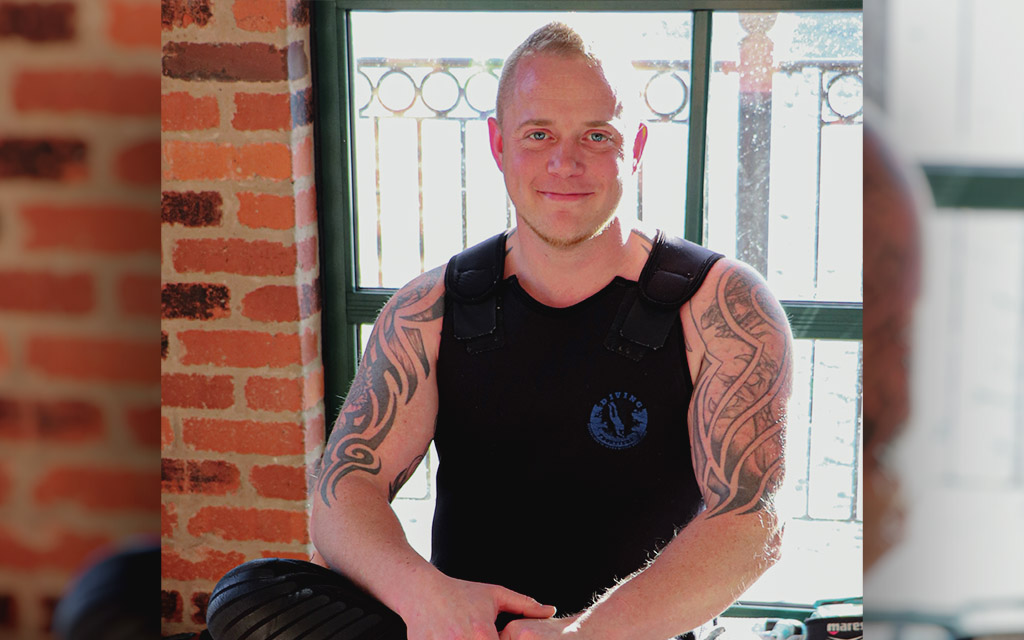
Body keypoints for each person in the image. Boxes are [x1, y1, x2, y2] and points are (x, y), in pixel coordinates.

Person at [206, 22, 792, 640]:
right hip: (464, 634)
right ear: (497, 144)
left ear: (637, 147)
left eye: (598, 135)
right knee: (246, 600)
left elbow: (752, 519)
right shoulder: (429, 309)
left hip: (629, 635)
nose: (565, 162)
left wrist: (582, 636)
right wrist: (425, 596)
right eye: (538, 134)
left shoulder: (720, 306)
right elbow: (344, 484)